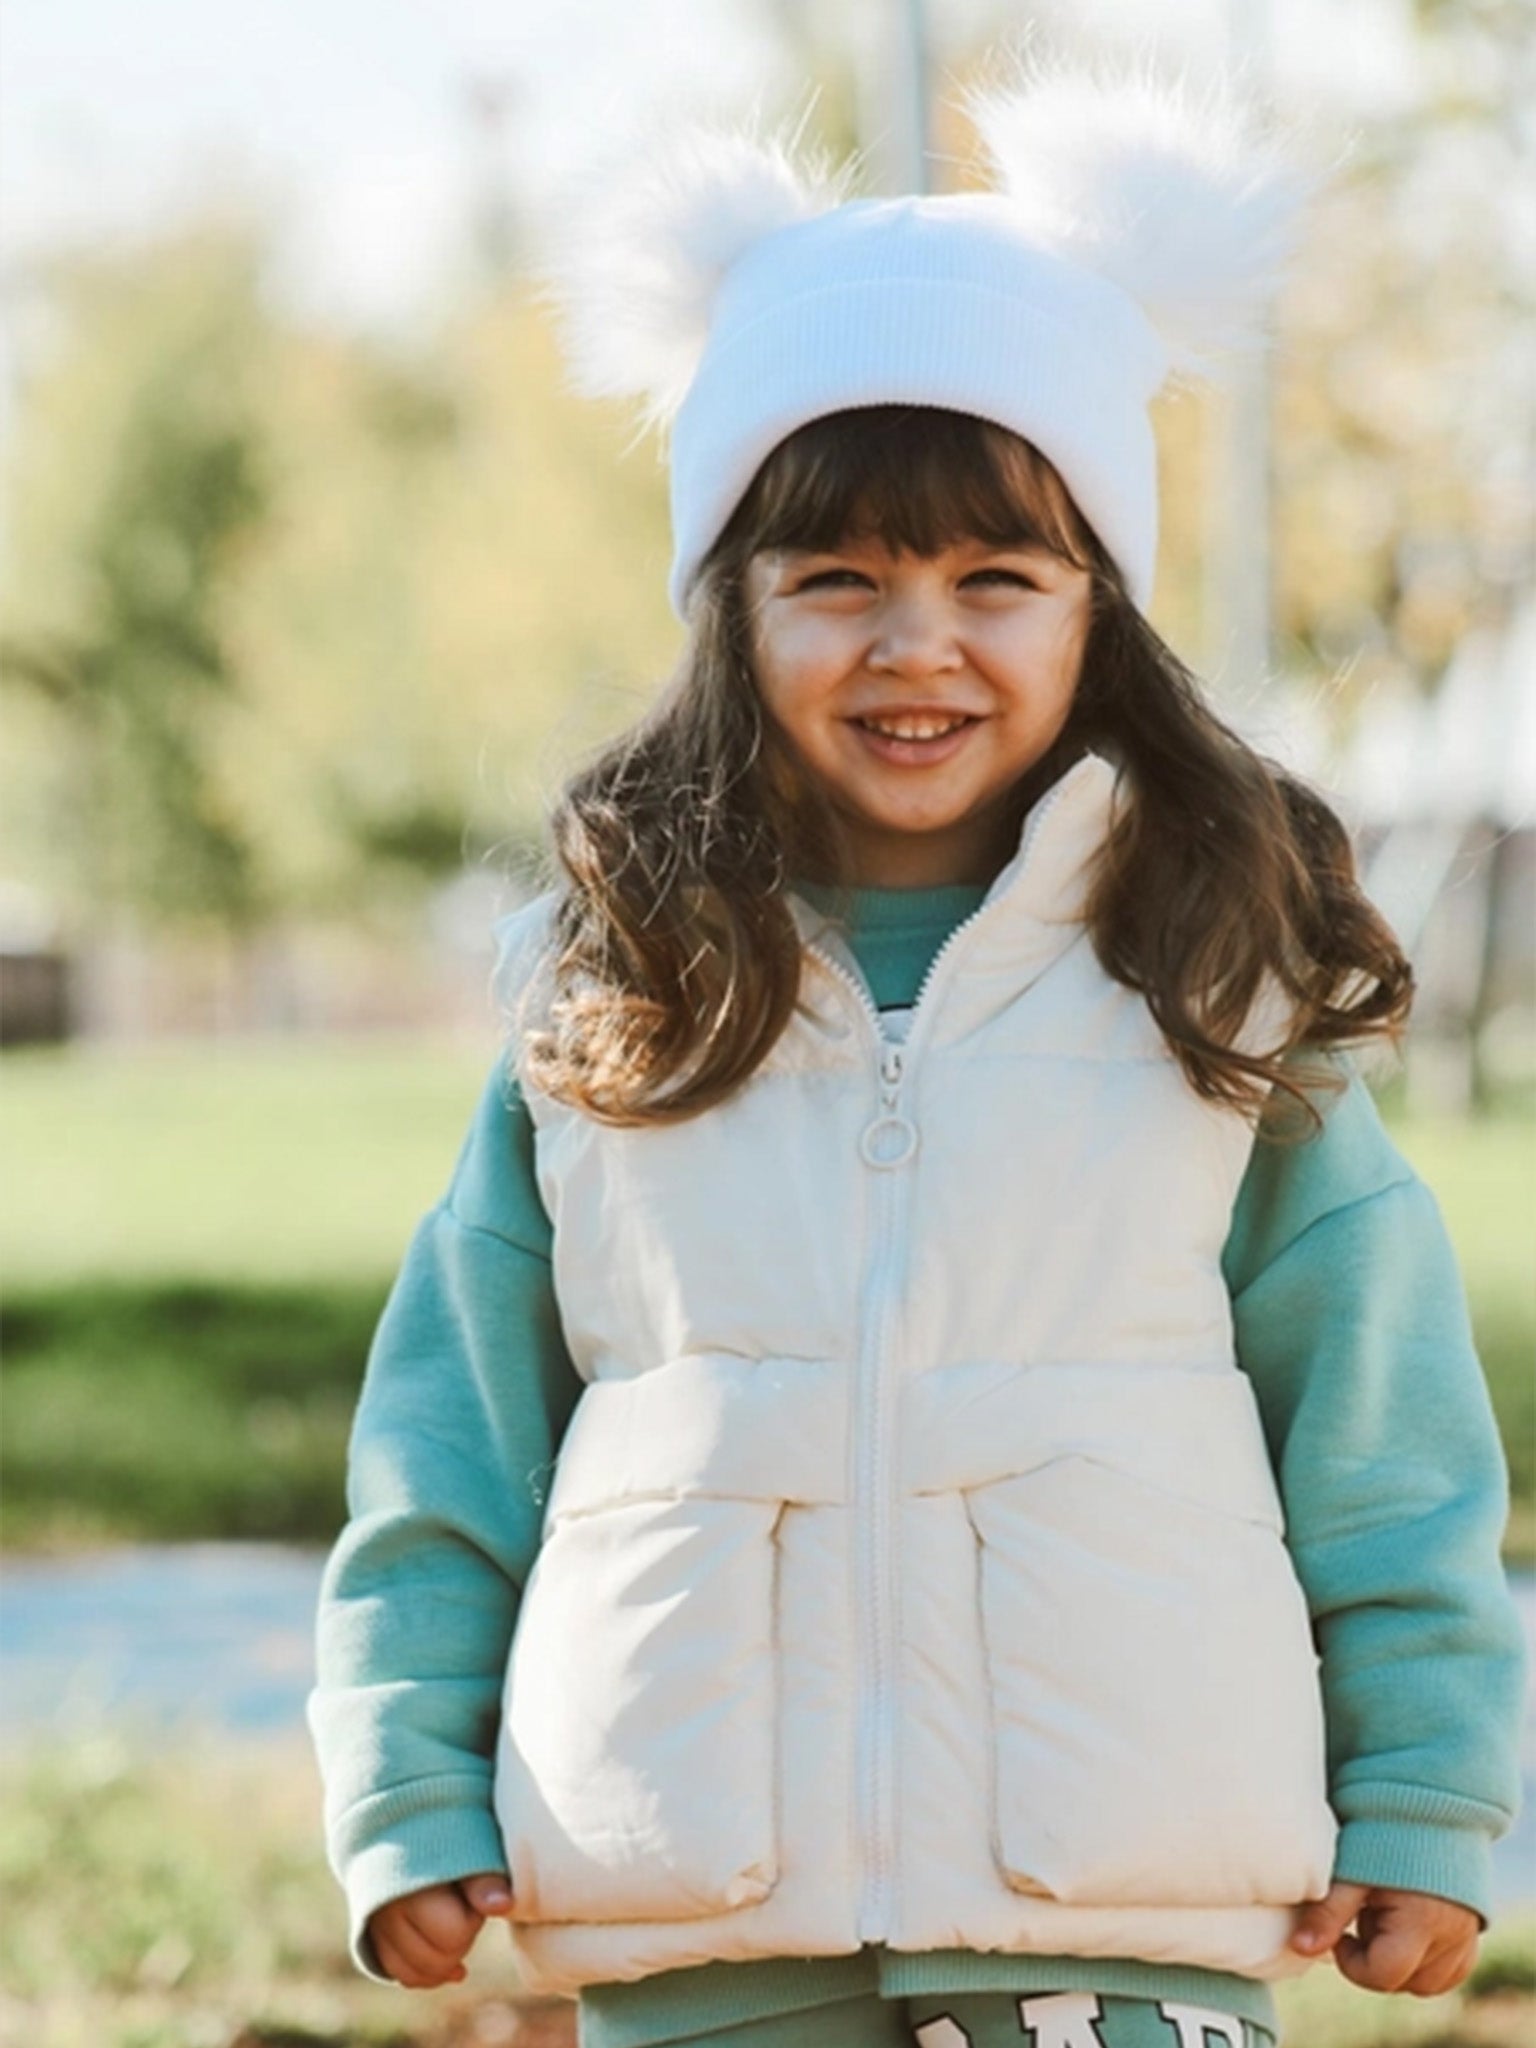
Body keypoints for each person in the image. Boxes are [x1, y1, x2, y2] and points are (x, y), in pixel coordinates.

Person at [306, 52, 1526, 2048]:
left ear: (1097, 609)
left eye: (996, 579)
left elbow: (1384, 1431)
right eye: (837, 581)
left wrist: (1427, 1788)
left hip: (1115, 1911)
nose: (914, 643)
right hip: (703, 1915)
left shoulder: (1214, 979)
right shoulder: (611, 986)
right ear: (736, 610)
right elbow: (447, 1438)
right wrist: (405, 1780)